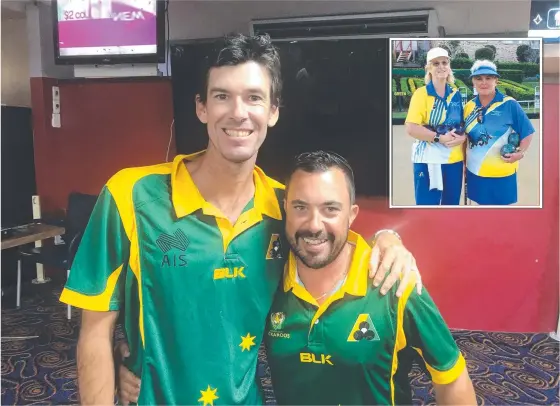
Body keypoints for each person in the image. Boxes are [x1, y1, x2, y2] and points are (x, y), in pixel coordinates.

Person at [59, 34, 421, 405]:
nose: (238, 112)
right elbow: (94, 333)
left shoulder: (286, 209)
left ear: (273, 110)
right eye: (221, 96)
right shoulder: (131, 196)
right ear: (201, 108)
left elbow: (336, 245)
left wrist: (387, 237)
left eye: (253, 97)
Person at [117, 151, 477, 406]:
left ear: (351, 214)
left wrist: (389, 236)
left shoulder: (393, 281)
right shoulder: (268, 279)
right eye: (300, 208)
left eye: (330, 209)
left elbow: (451, 379)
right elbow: (201, 323)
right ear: (284, 209)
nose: (314, 225)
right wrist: (131, 361)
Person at [463, 60, 535, 205]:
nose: (484, 82)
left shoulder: (509, 104)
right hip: (475, 171)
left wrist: (520, 153)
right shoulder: (468, 107)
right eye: (479, 78)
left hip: (502, 173)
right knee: (480, 216)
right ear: (473, 82)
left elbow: (527, 132)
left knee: (502, 218)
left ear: (496, 80)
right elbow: (465, 140)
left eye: (488, 78)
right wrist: (464, 165)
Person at [405, 47, 467, 205]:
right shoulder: (421, 94)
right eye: (436, 63)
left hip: (454, 161)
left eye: (444, 62)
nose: (441, 66)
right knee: (427, 209)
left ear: (449, 66)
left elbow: (462, 124)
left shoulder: (456, 93)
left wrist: (463, 137)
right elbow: (411, 128)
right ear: (429, 68)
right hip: (427, 159)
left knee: (451, 207)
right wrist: (439, 138)